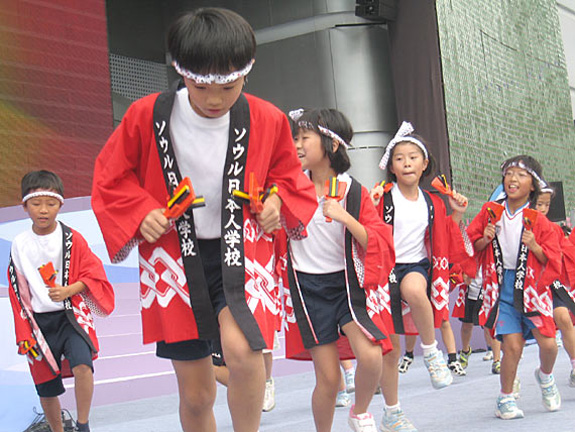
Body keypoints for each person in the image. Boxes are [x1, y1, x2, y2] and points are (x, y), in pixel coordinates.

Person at [91, 8, 317, 432]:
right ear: (181, 72)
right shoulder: (146, 115)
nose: (214, 100)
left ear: (246, 73)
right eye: (201, 87)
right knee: (197, 396)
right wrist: (141, 213)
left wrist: (276, 202)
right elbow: (110, 178)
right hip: (173, 260)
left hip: (243, 252)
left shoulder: (267, 118)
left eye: (228, 87)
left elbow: (289, 180)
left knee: (244, 353)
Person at [283, 108, 394, 432]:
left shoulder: (353, 191)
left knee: (371, 355)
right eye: (295, 138)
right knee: (329, 380)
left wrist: (346, 217)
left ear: (332, 144)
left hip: (346, 287)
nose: (297, 144)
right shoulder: (290, 187)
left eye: (305, 137)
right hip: (307, 290)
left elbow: (377, 241)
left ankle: (360, 412)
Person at [371, 121, 471, 431]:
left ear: (424, 163)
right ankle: (392, 413)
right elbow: (366, 232)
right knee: (390, 352)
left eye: (413, 157)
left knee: (415, 291)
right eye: (399, 158)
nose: (406, 163)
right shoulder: (383, 197)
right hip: (384, 272)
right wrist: (370, 206)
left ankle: (431, 352)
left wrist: (456, 213)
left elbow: (445, 237)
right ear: (391, 167)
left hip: (415, 266)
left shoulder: (432, 201)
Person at [8, 170, 115, 432]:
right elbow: (16, 291)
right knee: (46, 386)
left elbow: (94, 273)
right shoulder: (20, 244)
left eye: (51, 203)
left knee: (83, 366)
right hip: (37, 323)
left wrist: (69, 290)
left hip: (71, 315)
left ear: (61, 205)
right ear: (25, 206)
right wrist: (23, 333)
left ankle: (83, 424)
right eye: (36, 204)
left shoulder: (72, 239)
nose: (43, 210)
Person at [467, 155, 562, 419]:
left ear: (533, 185)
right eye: (509, 173)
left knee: (549, 344)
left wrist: (535, 246)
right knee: (512, 345)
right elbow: (472, 244)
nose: (513, 179)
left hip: (532, 287)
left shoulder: (538, 220)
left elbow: (552, 259)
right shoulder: (491, 211)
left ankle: (545, 376)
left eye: (521, 175)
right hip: (502, 287)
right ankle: (505, 398)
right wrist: (485, 239)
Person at [535, 185, 575, 387]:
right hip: (524, 286)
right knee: (515, 337)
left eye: (546, 205)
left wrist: (556, 254)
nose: (542, 209)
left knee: (564, 318)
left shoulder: (554, 229)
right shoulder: (514, 227)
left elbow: (567, 251)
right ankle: (511, 378)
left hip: (551, 282)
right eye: (538, 204)